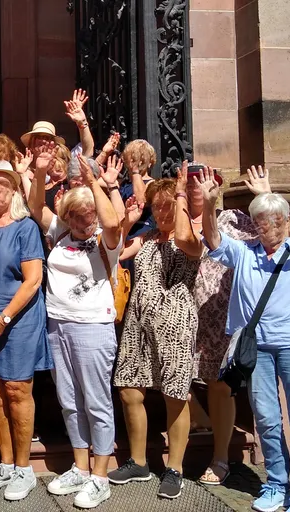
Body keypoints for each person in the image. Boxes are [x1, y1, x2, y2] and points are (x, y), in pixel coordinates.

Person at [199, 158, 290, 512]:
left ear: (287, 222)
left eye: (277, 222)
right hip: (257, 349)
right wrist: (207, 203)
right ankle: (277, 484)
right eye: (264, 224)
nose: (271, 230)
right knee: (265, 417)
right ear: (255, 226)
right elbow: (213, 238)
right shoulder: (244, 252)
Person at [28, 152, 124, 509]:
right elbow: (37, 207)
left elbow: (114, 223)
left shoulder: (105, 239)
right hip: (59, 325)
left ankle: (101, 475)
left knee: (96, 402)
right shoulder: (61, 232)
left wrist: (96, 183)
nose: (86, 221)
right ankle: (81, 467)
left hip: (93, 328)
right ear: (68, 214)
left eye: (90, 215)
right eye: (79, 215)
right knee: (69, 401)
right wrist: (38, 174)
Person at [109, 169, 203, 500]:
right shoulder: (146, 239)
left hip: (175, 325)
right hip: (138, 323)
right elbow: (115, 252)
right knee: (129, 391)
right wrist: (127, 221)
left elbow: (185, 241)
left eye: (168, 205)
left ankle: (174, 467)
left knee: (175, 395)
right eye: (157, 207)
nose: (162, 212)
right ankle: (137, 461)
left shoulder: (191, 237)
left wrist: (179, 195)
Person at [178, 163, 266, 486]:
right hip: (184, 316)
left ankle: (221, 458)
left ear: (216, 186)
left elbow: (272, 240)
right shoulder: (177, 216)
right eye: (189, 183)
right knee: (172, 377)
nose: (194, 188)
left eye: (202, 182)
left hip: (221, 316)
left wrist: (265, 196)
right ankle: (201, 420)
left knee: (220, 386)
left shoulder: (232, 219)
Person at [0, 159, 50, 502]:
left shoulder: (25, 227)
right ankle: (4, 462)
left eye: (2, 184)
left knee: (17, 391)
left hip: (15, 321)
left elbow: (33, 280)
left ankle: (24, 467)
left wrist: (4, 318)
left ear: (16, 189)